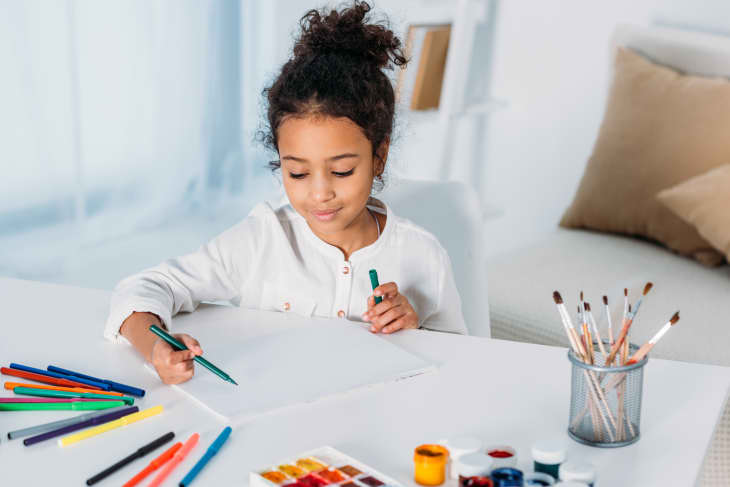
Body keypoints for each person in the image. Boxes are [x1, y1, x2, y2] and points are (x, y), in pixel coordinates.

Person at [104, 1, 467, 385]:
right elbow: (143, 288)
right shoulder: (263, 239)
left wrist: (413, 331)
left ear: (379, 156)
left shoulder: (422, 256)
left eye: (342, 171)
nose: (319, 193)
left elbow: (469, 365)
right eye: (297, 172)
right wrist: (156, 347)